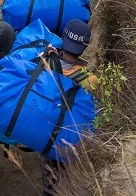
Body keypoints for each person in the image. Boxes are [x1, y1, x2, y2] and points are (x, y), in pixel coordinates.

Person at [38, 16, 97, 196]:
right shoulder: (91, 80)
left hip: (44, 126)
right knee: (65, 174)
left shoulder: (46, 60)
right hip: (69, 136)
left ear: (63, 38)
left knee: (48, 170)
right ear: (84, 47)